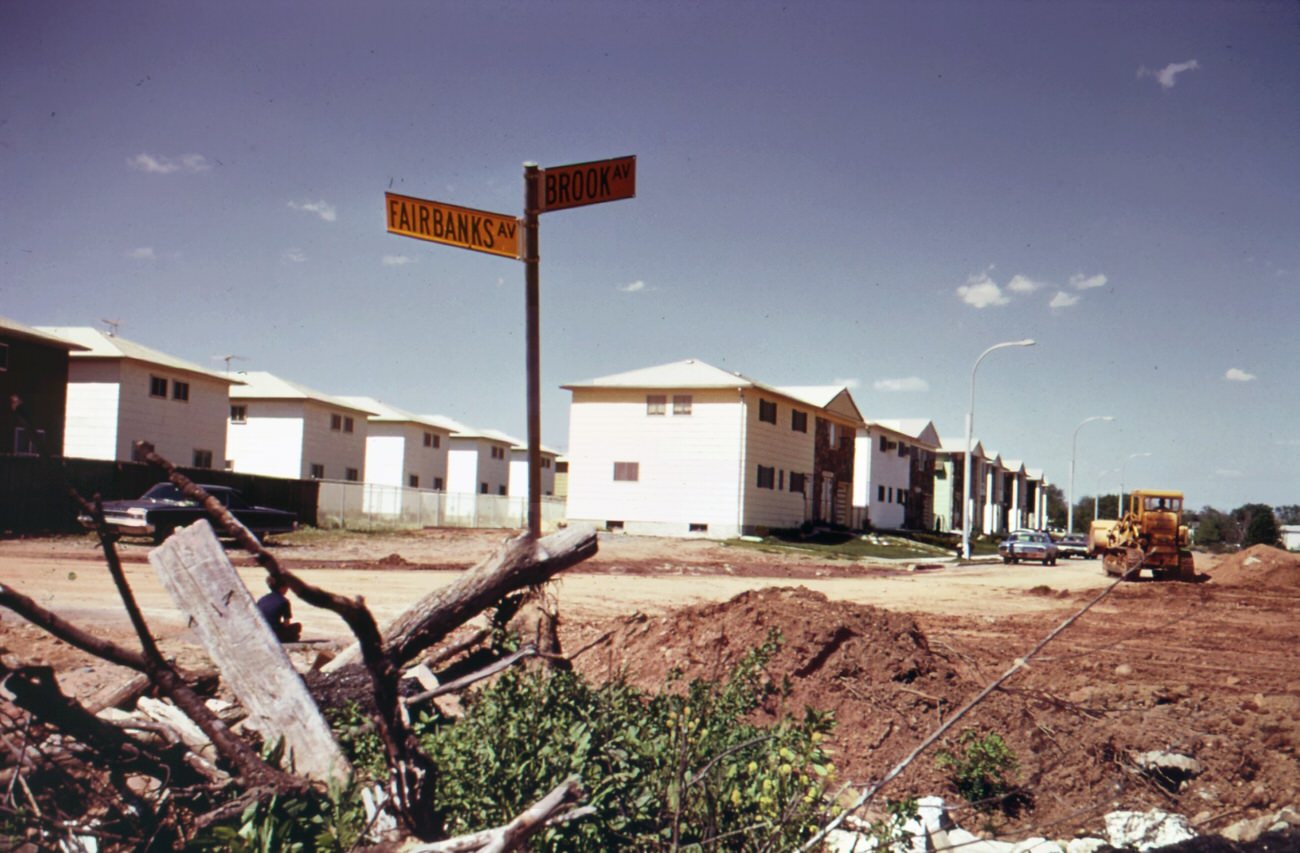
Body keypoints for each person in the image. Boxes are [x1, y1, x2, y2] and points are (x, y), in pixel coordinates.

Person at [256, 576, 302, 643]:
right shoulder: (284, 601)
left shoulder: (262, 599)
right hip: (274, 633)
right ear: (282, 588)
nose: (287, 589)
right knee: (297, 626)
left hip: (261, 631)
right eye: (286, 587)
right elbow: (287, 624)